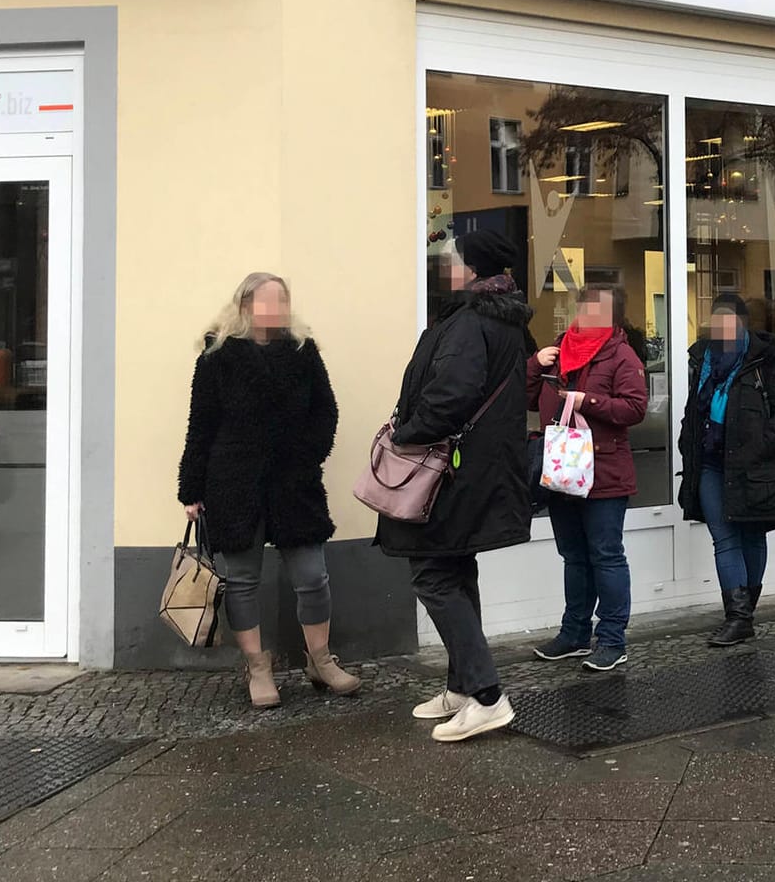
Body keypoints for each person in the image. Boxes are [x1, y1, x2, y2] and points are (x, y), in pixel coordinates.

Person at [378, 232, 533, 742]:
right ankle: (462, 686)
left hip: (454, 471)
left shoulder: (470, 321)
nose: (443, 269)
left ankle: (487, 696)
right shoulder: (498, 317)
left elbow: (450, 396)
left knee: (434, 575)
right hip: (477, 469)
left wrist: (405, 432)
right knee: (455, 570)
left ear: (470, 269)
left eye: (449, 262)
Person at [177, 272, 355, 710]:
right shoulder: (217, 356)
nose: (276, 309)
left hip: (294, 479)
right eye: (267, 301)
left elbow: (326, 411)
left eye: (282, 301)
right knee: (241, 581)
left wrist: (307, 454)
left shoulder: (302, 351)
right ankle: (257, 667)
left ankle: (320, 660)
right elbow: (200, 426)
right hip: (233, 479)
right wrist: (191, 489)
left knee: (313, 576)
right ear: (244, 306)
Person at [529, 284, 648, 671]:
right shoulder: (560, 350)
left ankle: (612, 640)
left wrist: (588, 401)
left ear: (613, 316)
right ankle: (574, 634)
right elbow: (528, 399)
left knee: (606, 556)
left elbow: (634, 408)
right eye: (584, 307)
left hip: (604, 474)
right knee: (574, 557)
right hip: (564, 470)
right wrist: (534, 365)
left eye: (598, 309)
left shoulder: (621, 355)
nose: (588, 315)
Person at [679, 293, 775, 646]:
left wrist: (761, 446)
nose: (722, 325)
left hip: (752, 465)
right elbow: (693, 409)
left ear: (742, 323)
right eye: (717, 319)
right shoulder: (701, 359)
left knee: (751, 535)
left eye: (729, 319)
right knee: (724, 538)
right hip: (711, 465)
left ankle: (746, 611)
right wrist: (690, 443)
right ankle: (737, 616)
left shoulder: (761, 361)